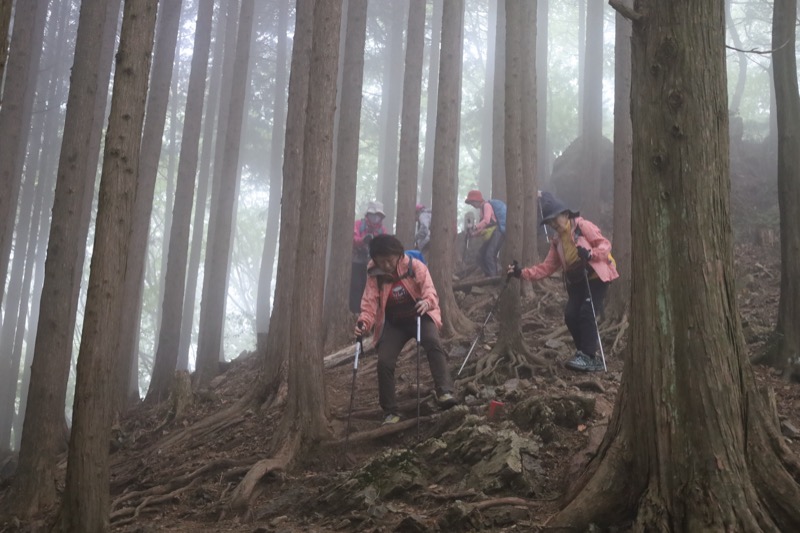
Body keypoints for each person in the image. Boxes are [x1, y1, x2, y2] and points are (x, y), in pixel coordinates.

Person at [508, 192, 618, 372]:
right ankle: (585, 354)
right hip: (577, 281)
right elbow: (546, 267)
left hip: (597, 277)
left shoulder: (583, 226)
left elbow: (604, 244)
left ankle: (589, 356)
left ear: (565, 214)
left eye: (554, 219)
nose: (552, 224)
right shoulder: (557, 241)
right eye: (549, 222)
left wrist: (591, 254)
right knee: (570, 315)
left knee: (586, 313)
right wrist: (521, 273)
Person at [354, 234, 458, 425]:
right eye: (381, 261)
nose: (386, 265)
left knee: (433, 343)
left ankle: (445, 391)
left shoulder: (414, 266)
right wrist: (364, 323)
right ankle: (389, 411)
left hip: (419, 315)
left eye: (389, 260)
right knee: (384, 361)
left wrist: (427, 303)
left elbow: (430, 290)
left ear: (398, 255)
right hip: (394, 324)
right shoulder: (374, 275)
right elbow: (369, 304)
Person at [350, 201, 388, 313]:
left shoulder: (382, 230)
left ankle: (369, 314)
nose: (375, 218)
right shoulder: (358, 224)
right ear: (368, 215)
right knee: (356, 287)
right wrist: (363, 241)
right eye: (373, 215)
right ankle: (355, 313)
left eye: (378, 216)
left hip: (374, 264)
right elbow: (352, 239)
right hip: (357, 261)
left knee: (370, 289)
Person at [464, 190, 506, 277]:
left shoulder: (486, 205)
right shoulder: (482, 210)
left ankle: (493, 277)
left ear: (476, 200)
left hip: (498, 232)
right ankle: (489, 275)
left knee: (489, 255)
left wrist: (474, 227)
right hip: (492, 233)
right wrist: (473, 234)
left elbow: (486, 221)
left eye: (472, 202)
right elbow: (484, 227)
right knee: (480, 256)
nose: (472, 205)